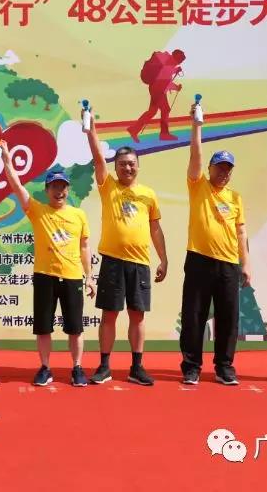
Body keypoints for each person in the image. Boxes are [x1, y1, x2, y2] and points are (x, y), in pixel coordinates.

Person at [0, 141, 94, 387]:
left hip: (72, 276)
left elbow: (84, 247)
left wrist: (89, 277)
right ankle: (45, 367)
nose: (59, 191)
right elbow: (16, 185)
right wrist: (7, 159)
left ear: (68, 189)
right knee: (43, 327)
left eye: (62, 187)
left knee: (75, 328)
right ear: (47, 189)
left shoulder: (78, 215)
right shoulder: (37, 211)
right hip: (44, 276)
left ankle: (77, 368)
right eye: (54, 187)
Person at [85, 113, 168, 386]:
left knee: (137, 315)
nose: (127, 168)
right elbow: (98, 158)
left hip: (140, 263)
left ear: (138, 166)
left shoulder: (148, 194)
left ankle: (136, 367)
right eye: (122, 164)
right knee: (109, 315)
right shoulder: (108, 187)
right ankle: (104, 366)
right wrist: (91, 129)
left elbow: (155, 228)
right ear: (116, 167)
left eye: (131, 164)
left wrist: (163, 259)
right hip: (112, 261)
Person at [179, 104, 249, 385]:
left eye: (228, 169)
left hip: (229, 264)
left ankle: (224, 366)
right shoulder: (198, 186)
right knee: (194, 315)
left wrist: (246, 263)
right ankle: (191, 366)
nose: (224, 172)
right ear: (209, 169)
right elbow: (195, 154)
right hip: (199, 258)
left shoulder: (235, 198)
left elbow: (241, 232)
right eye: (219, 167)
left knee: (228, 317)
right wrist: (197, 125)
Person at [128, 49, 186, 142]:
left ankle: (134, 129)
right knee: (165, 109)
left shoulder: (166, 61)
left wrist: (175, 70)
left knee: (152, 111)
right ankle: (164, 134)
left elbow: (164, 75)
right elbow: (165, 82)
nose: (179, 63)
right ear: (177, 60)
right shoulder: (169, 66)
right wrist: (176, 87)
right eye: (180, 61)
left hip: (155, 88)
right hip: (158, 90)